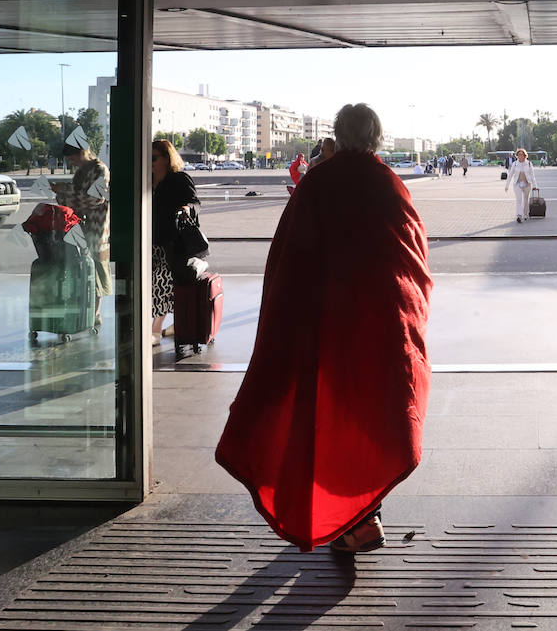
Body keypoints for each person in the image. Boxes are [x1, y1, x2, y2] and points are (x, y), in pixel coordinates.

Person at [217, 102, 431, 554]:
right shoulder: (390, 185)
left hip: (325, 327)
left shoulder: (318, 184)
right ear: (376, 137)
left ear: (337, 135)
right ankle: (364, 516)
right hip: (379, 327)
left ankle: (352, 520)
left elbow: (288, 260)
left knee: (328, 417)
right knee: (371, 417)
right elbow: (413, 261)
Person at [50, 143, 112, 319]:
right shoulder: (83, 171)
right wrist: (62, 192)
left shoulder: (99, 169)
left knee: (97, 269)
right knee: (81, 268)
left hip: (96, 226)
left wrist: (65, 190)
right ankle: (84, 311)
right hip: (80, 225)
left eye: (73, 157)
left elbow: (96, 198)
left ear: (83, 153)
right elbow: (75, 199)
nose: (71, 161)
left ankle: (95, 313)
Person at [151, 139, 201, 347]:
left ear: (166, 158)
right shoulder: (146, 179)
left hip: (170, 241)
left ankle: (155, 330)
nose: (150, 162)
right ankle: (172, 324)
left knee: (160, 283)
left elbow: (192, 202)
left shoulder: (178, 179)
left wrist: (183, 209)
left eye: (153, 158)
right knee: (158, 284)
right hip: (150, 238)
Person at [505, 147, 537, 223]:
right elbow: (510, 175)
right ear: (517, 156)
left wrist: (535, 185)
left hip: (527, 184)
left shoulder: (529, 163)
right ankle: (519, 215)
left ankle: (525, 214)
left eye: (522, 155)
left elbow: (532, 175)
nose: (520, 156)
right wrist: (507, 185)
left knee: (526, 200)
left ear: (525, 156)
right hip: (517, 184)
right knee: (519, 200)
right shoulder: (515, 164)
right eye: (519, 155)